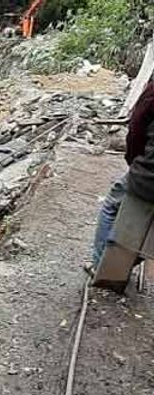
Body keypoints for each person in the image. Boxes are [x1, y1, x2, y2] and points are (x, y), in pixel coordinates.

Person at [92, 80, 154, 266]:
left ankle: (101, 266)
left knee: (112, 204)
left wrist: (134, 163)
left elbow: (136, 129)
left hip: (149, 175)